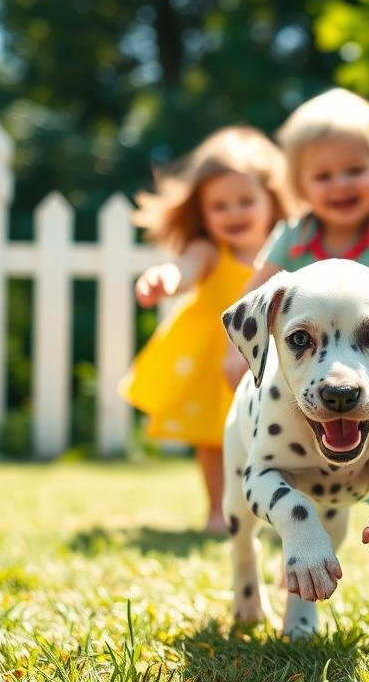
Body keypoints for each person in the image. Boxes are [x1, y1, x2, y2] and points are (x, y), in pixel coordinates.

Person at [225, 88, 369, 438]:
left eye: (354, 170)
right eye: (323, 176)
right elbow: (255, 293)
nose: (340, 185)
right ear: (300, 184)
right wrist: (235, 353)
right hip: (313, 382)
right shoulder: (293, 235)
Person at [120, 126, 294, 535]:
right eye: (219, 205)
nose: (233, 213)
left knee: (278, 433)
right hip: (212, 359)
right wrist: (165, 277)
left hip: (267, 357)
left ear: (272, 201)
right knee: (214, 440)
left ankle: (276, 507)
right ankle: (218, 510)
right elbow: (185, 270)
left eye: (245, 201)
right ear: (202, 212)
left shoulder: (288, 254)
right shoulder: (209, 251)